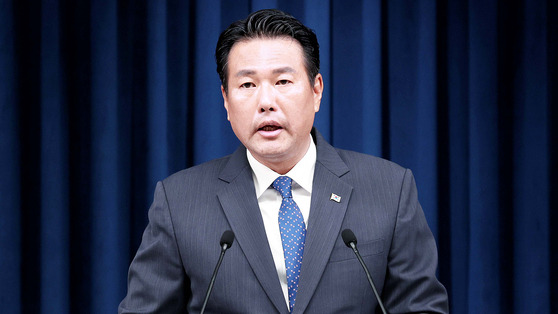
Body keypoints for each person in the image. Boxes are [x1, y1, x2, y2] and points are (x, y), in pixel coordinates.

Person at [119, 9, 448, 314]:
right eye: (247, 84)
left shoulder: (389, 189)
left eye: (282, 82)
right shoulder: (179, 202)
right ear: (226, 100)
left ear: (316, 91)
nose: (265, 102)